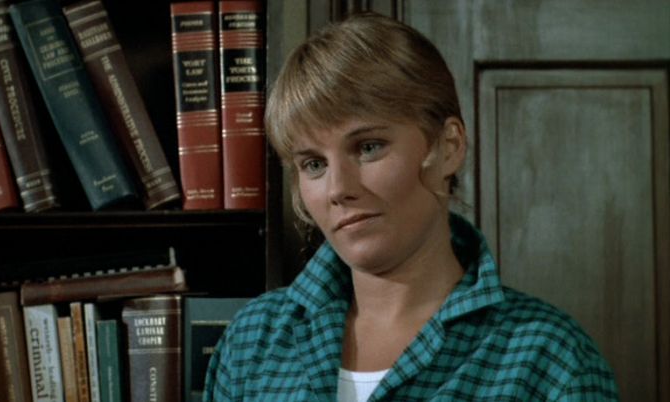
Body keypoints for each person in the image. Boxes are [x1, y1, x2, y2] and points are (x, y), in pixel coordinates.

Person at [204, 12, 618, 401]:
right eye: (314, 164)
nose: (338, 189)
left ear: (448, 147)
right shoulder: (252, 341)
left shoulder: (549, 359)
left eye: (368, 147)